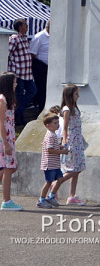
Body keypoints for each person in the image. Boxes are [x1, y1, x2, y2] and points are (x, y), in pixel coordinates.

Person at [60, 84, 86, 205]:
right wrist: (65, 141)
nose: (78, 96)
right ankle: (56, 184)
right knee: (74, 169)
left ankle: (72, 195)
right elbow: (64, 128)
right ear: (70, 95)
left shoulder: (74, 109)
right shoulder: (67, 110)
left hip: (78, 141)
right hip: (72, 141)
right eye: (76, 94)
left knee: (78, 168)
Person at [7, 18, 36, 125]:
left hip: (27, 73)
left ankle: (18, 112)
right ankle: (19, 117)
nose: (27, 26)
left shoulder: (24, 38)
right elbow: (8, 54)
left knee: (32, 91)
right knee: (18, 95)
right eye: (25, 25)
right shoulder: (14, 38)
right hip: (18, 73)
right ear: (20, 27)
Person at [37, 111, 69, 208]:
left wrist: (60, 147)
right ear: (48, 125)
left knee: (60, 179)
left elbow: (52, 148)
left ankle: (51, 196)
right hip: (49, 164)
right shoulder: (50, 136)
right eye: (55, 123)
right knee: (49, 182)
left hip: (55, 164)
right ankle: (41, 199)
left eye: (58, 122)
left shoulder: (53, 135)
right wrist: (62, 152)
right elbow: (50, 150)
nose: (57, 125)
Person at [0, 71, 21, 210]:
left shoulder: (8, 100)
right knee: (9, 168)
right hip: (4, 139)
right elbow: (0, 123)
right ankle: (6, 201)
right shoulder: (2, 100)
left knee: (11, 167)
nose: (16, 84)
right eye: (14, 82)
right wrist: (6, 144)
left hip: (9, 138)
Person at [30, 20, 50, 114]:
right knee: (42, 88)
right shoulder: (39, 37)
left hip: (50, 67)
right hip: (40, 66)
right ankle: (41, 108)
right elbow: (32, 54)